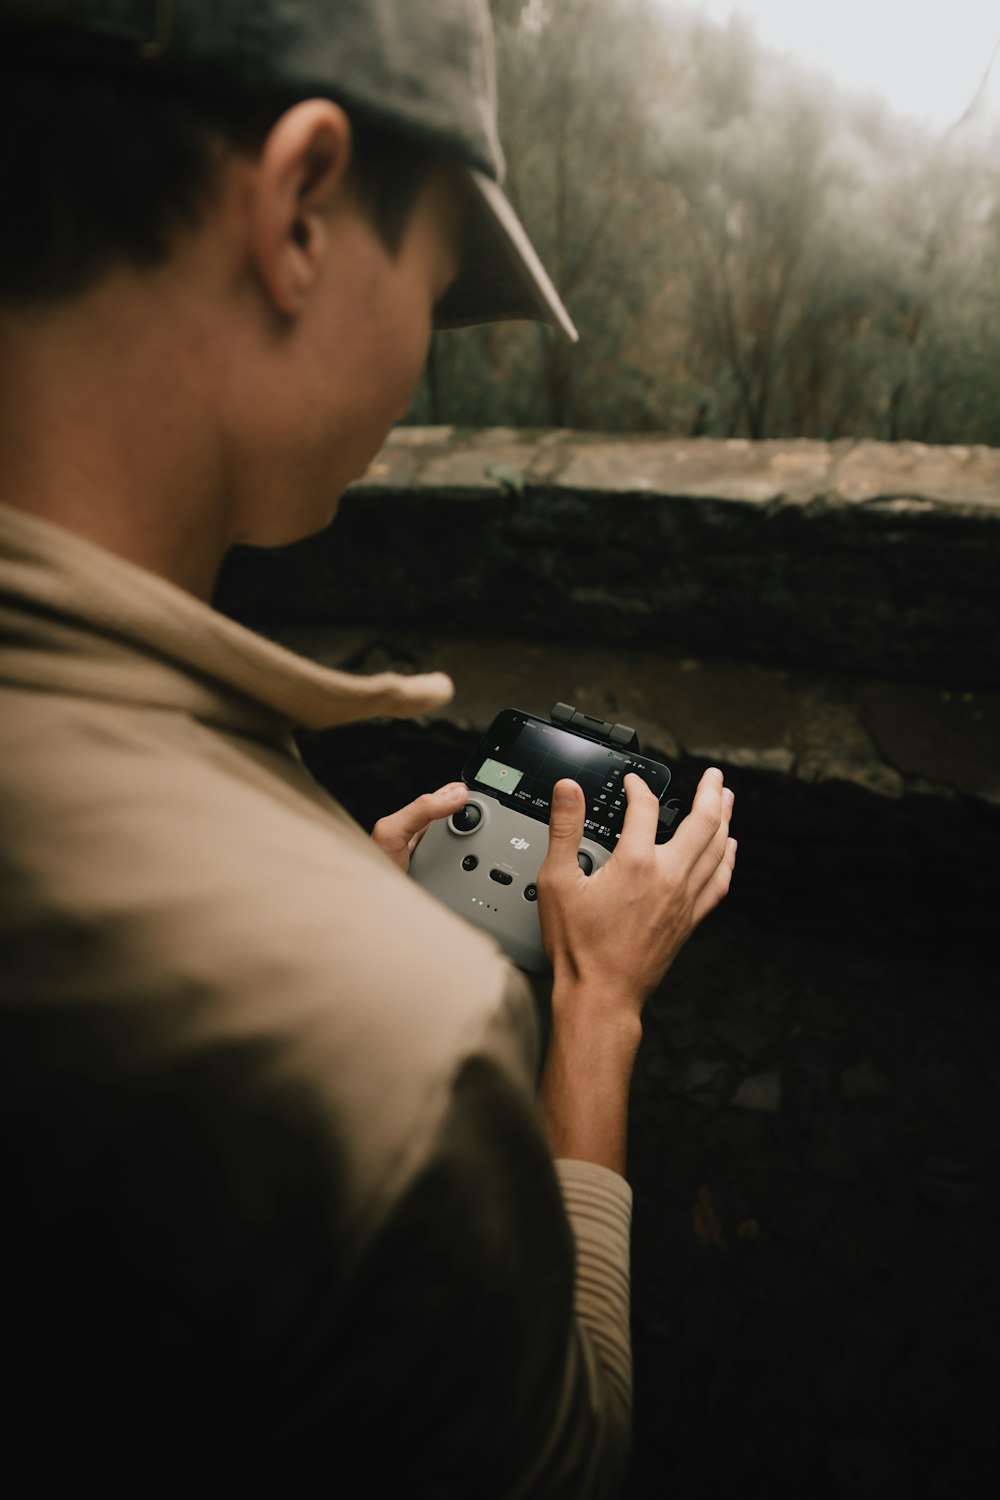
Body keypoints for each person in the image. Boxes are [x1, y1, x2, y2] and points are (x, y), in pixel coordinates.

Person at [0, 2, 736, 1493]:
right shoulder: (396, 1040)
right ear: (303, 205)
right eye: (443, 282)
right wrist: (589, 1008)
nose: (421, 361)